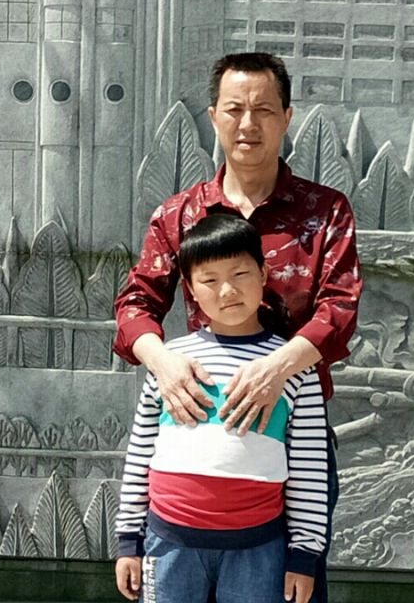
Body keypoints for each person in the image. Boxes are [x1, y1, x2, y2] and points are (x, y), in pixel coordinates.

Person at [113, 52, 363, 601]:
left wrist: (279, 368)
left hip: (291, 433)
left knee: (290, 585)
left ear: (287, 117)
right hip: (196, 438)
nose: (248, 124)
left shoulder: (324, 211)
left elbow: (340, 306)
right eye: (234, 109)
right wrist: (164, 364)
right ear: (214, 117)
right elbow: (135, 302)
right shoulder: (181, 215)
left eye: (264, 110)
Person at [115, 214, 328, 603]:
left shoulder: (294, 366)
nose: (227, 290)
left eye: (240, 274)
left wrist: (305, 553)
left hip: (259, 547)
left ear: (264, 274)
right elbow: (140, 451)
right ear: (191, 289)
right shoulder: (170, 360)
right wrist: (129, 540)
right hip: (168, 541)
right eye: (209, 280)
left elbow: (309, 468)